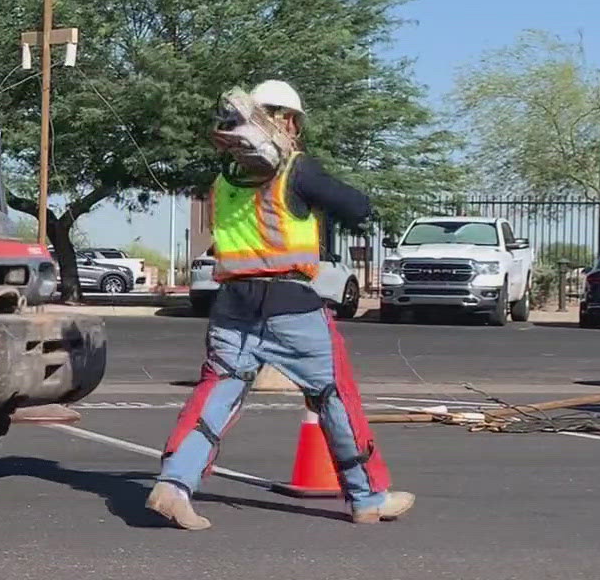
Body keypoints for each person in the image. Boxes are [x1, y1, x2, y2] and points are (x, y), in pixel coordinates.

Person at [147, 80, 414, 530]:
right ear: (288, 121)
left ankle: (174, 485)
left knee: (218, 392)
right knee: (333, 393)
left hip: (232, 303)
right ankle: (368, 497)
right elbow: (357, 206)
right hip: (291, 305)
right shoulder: (296, 170)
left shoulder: (223, 180)